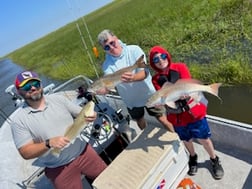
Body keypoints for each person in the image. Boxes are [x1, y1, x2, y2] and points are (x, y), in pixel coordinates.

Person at [11, 70, 107, 189]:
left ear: (40, 85)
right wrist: (48, 143)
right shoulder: (18, 121)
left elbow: (80, 113)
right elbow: (25, 152)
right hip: (58, 168)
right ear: (18, 91)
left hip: (84, 153)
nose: (32, 88)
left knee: (108, 181)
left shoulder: (58, 99)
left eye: (35, 84)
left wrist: (92, 115)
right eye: (26, 86)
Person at [149, 46, 224, 179]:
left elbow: (188, 84)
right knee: (186, 139)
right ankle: (193, 157)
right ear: (153, 64)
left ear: (167, 56)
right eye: (155, 59)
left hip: (193, 112)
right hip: (176, 117)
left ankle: (214, 159)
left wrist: (187, 95)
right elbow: (165, 97)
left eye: (163, 56)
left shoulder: (180, 67)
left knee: (204, 139)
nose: (160, 60)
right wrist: (161, 102)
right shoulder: (155, 79)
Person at [96, 29, 174, 132]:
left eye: (112, 43)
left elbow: (144, 73)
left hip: (149, 94)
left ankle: (178, 138)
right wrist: (104, 90)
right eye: (107, 47)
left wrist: (133, 78)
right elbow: (109, 84)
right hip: (131, 101)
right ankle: (146, 135)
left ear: (116, 38)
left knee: (163, 119)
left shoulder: (134, 50)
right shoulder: (106, 65)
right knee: (139, 120)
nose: (111, 47)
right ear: (104, 49)